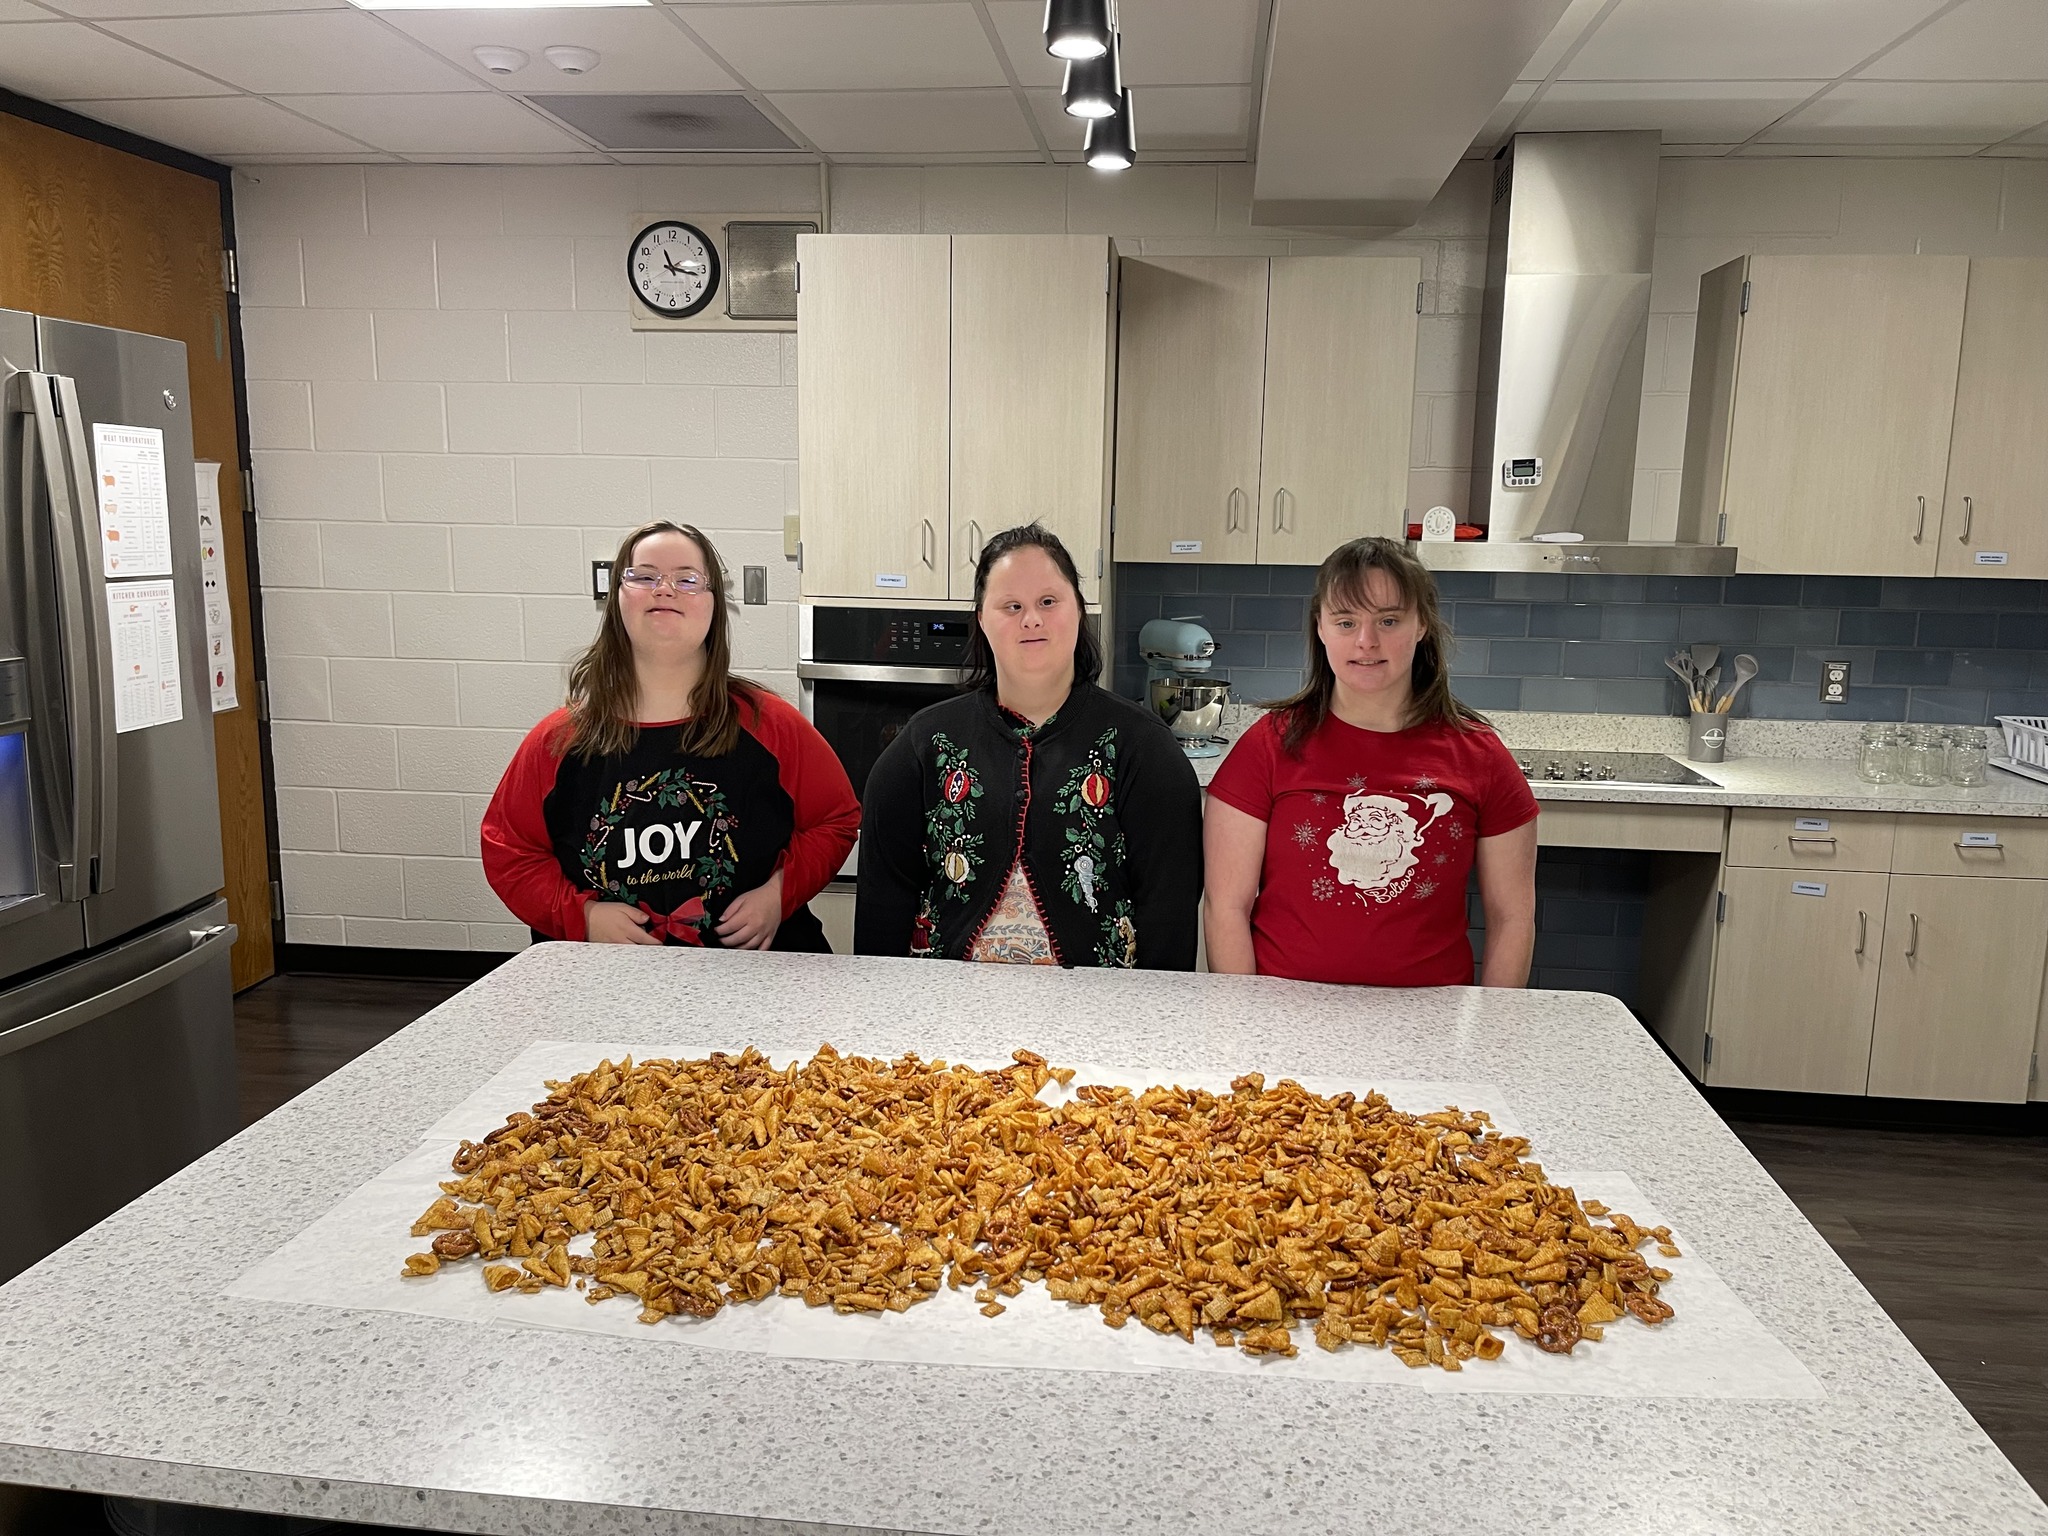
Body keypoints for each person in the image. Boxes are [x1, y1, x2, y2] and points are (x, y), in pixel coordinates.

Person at [482, 520, 858, 951]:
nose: (665, 589)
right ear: (616, 599)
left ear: (715, 604)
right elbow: (509, 850)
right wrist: (580, 915)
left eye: (687, 579)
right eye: (643, 576)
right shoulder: (558, 741)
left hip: (757, 979)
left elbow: (836, 819)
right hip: (605, 983)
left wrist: (778, 894)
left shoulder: (771, 725)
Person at [855, 523, 1203, 968]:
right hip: (944, 1011)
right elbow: (882, 909)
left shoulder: (1144, 749)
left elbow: (1169, 917)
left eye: (1048, 602)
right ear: (981, 618)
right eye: (1012, 606)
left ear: (1079, 608)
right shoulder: (925, 744)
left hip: (1101, 1017)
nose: (1032, 619)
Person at [1203, 536, 1538, 987]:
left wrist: (1490, 1036)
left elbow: (1512, 919)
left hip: (1429, 1019)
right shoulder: (1267, 745)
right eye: (1346, 622)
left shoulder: (1482, 756)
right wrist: (1245, 1020)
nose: (1366, 641)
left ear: (1422, 625)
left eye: (1389, 620)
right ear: (1320, 627)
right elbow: (1226, 906)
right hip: (1285, 1014)